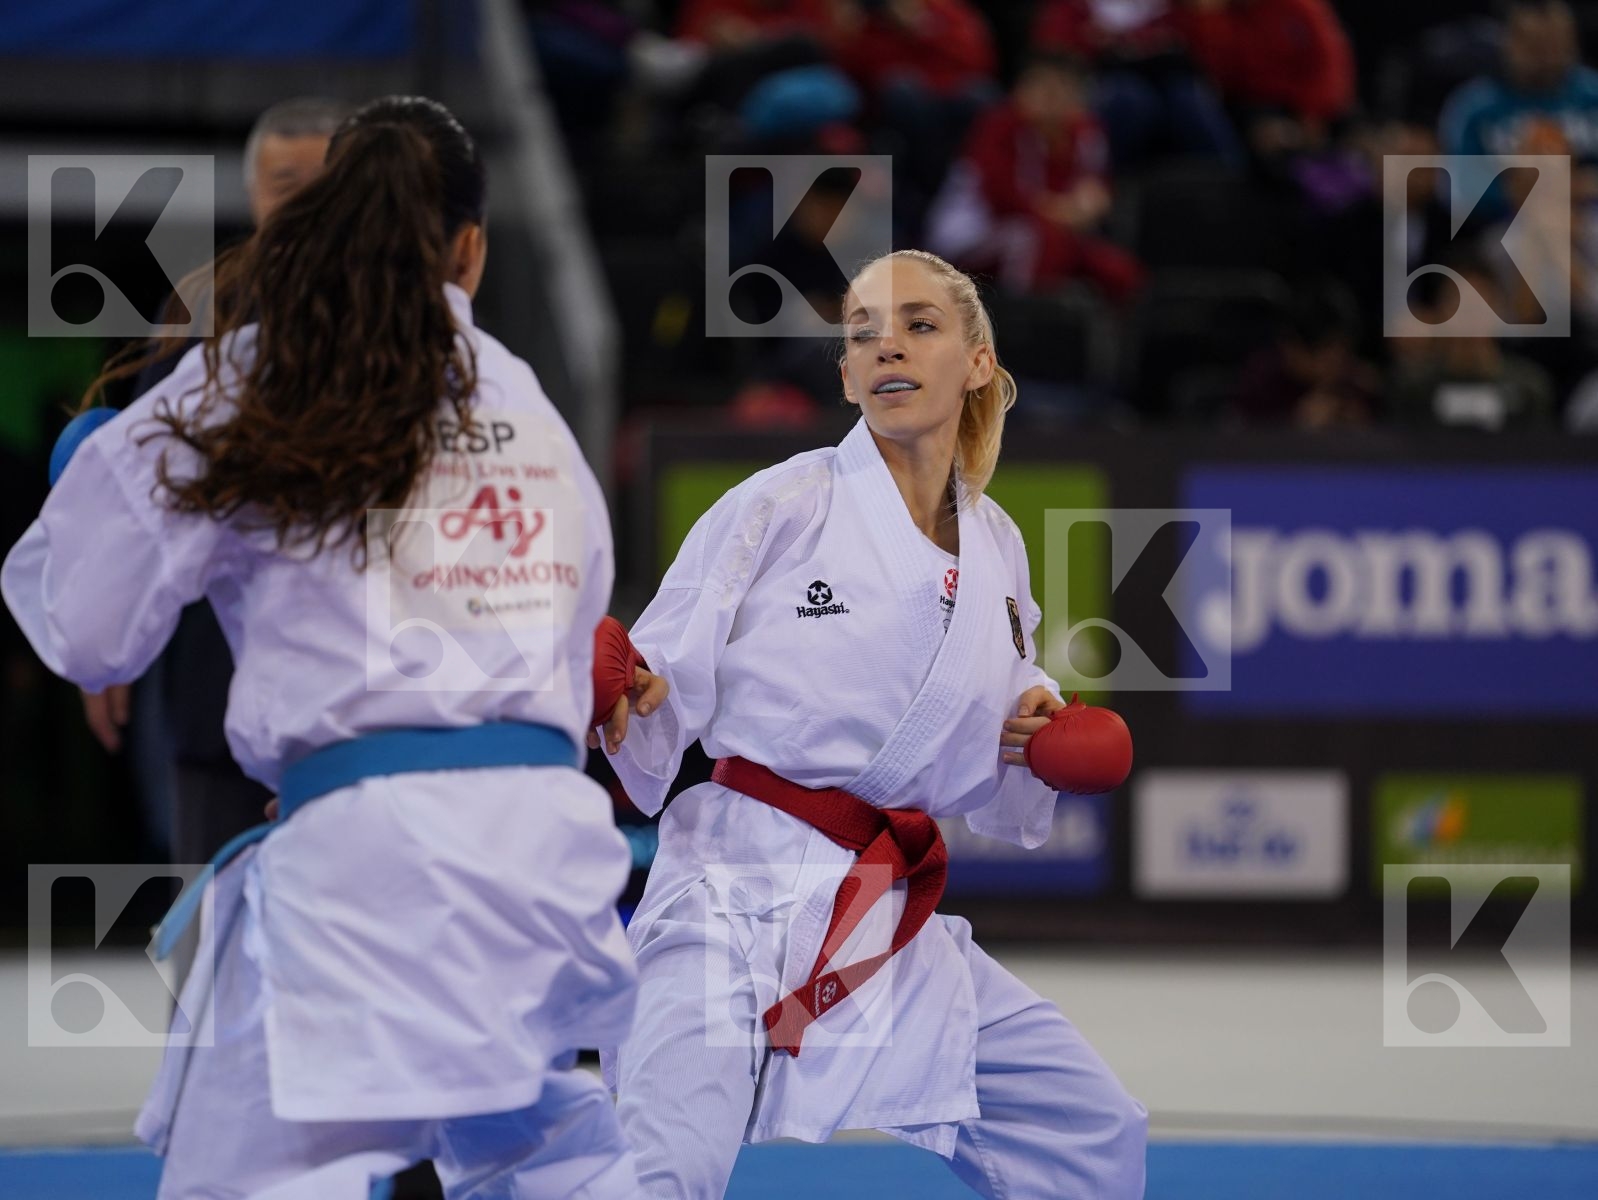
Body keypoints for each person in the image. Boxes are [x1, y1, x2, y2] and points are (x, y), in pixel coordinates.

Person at [3, 96, 647, 1199]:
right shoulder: (524, 396)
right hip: (547, 852)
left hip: (369, 864)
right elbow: (572, 622)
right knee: (523, 1131)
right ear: (471, 250)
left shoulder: (255, 372)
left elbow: (88, 625)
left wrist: (93, 470)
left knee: (248, 1177)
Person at [601, 249, 1148, 1198]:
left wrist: (1039, 736)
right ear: (848, 375)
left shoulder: (998, 542)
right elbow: (661, 676)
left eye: (920, 326)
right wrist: (628, 689)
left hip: (879, 911)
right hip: (734, 889)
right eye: (863, 334)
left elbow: (993, 734)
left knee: (1086, 1129)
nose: (887, 345)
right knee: (663, 1170)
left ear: (977, 362)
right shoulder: (781, 502)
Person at [80, 97, 348, 948]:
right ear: (251, 192)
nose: (303, 202)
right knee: (215, 930)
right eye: (284, 183)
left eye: (324, 182)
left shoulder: (414, 318)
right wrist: (106, 633)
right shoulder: (202, 307)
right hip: (218, 668)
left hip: (365, 672)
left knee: (352, 942)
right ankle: (207, 1080)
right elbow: (133, 489)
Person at [927, 54, 1144, 301]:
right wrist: (1065, 213)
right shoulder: (999, 127)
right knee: (1036, 241)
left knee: (1119, 272)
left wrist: (1095, 204)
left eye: (1061, 89)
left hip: (1056, 231)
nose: (1051, 98)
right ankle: (1019, 324)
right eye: (1043, 87)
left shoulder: (1087, 134)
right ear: (1021, 90)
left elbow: (1096, 188)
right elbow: (1003, 198)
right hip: (976, 231)